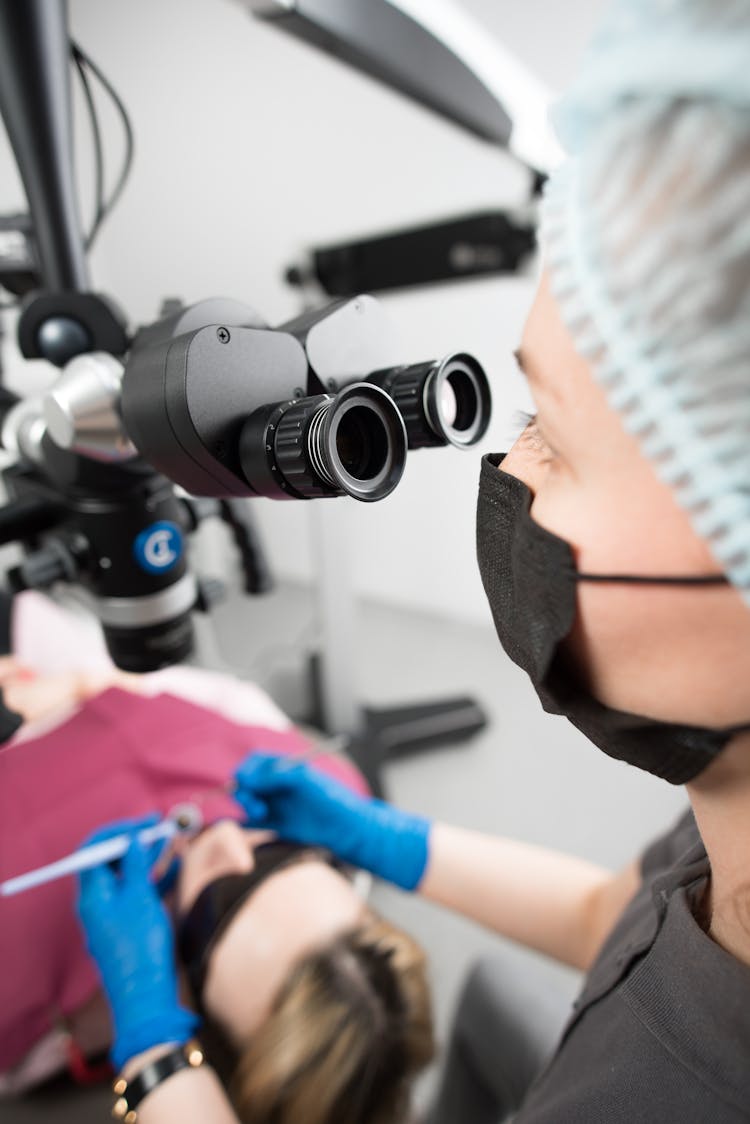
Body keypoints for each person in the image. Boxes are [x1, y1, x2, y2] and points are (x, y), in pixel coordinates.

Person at [68, 0, 750, 1119]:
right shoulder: (725, 812)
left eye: (557, 437)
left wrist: (154, 1047)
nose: (508, 467)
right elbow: (609, 918)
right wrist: (384, 836)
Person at [0, 593, 434, 1123]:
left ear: (188, 1006)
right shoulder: (328, 786)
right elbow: (199, 692)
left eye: (221, 903)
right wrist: (82, 684)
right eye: (278, 854)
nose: (224, 834)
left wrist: (139, 1024)